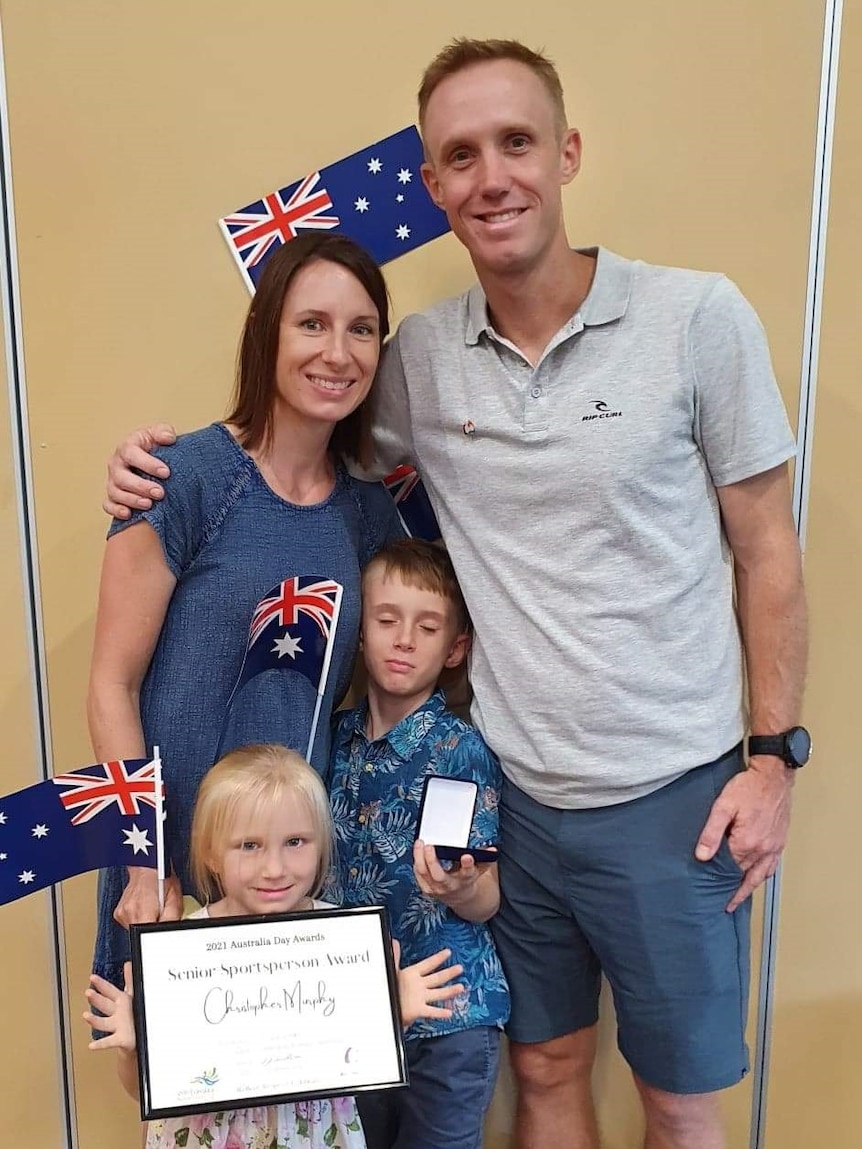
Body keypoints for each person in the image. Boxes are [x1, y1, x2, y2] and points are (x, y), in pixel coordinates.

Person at [101, 36, 808, 1149]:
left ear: (566, 151)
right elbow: (295, 425)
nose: (493, 177)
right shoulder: (419, 362)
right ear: (430, 186)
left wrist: (773, 757)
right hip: (505, 799)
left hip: (671, 791)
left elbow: (767, 547)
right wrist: (157, 463)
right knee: (541, 1068)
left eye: (517, 142)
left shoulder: (695, 318)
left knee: (679, 1097)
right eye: (461, 155)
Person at [88, 232, 402, 996]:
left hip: (293, 878)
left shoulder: (368, 514)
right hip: (167, 871)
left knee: (295, 1106)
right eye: (312, 324)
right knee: (172, 1099)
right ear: (268, 334)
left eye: (361, 329)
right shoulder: (181, 476)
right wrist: (144, 862)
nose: (338, 352)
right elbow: (111, 686)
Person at [83, 744, 467, 1149]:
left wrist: (392, 1017)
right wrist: (132, 1048)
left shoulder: (341, 940)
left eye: (296, 842)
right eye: (249, 846)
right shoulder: (178, 953)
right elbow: (142, 1091)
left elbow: (355, 1060)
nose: (275, 869)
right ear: (212, 852)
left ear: (321, 842)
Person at [327, 539, 509, 1149]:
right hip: (356, 1016)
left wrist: (463, 886)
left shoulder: (458, 752)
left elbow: (484, 898)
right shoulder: (330, 744)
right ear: (359, 632)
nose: (404, 639)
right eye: (386, 620)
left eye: (427, 627)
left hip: (448, 1020)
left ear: (455, 649)